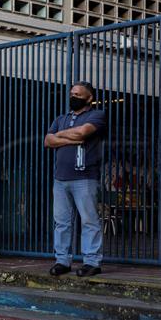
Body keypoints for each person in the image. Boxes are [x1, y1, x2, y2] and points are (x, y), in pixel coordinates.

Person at [44, 82, 107, 277]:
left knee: (89, 221)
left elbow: (82, 132)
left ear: (89, 98)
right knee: (61, 222)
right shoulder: (61, 118)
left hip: (85, 178)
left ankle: (92, 262)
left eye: (78, 94)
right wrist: (69, 138)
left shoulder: (97, 115)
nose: (73, 96)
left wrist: (59, 136)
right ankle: (62, 261)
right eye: (72, 93)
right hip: (60, 179)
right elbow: (48, 141)